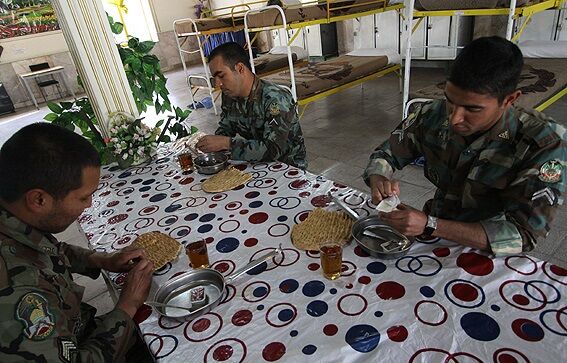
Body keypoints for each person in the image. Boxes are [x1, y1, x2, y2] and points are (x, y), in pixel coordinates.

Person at [364, 36, 566, 256]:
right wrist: (379, 177)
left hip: (488, 250)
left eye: (472, 109)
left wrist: (431, 225)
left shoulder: (543, 143)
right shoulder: (432, 114)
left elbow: (523, 235)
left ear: (509, 100)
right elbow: (387, 153)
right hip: (432, 233)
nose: (454, 118)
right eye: (450, 100)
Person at [0, 123, 155, 362]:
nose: (89, 205)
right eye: (83, 197)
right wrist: (128, 305)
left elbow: (44, 252)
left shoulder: (13, 216)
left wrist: (101, 259)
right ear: (39, 199)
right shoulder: (19, 289)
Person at [195, 42, 307, 169]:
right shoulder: (230, 95)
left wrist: (227, 144)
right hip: (257, 163)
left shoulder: (276, 99)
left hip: (288, 168)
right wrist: (213, 144)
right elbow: (226, 128)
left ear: (240, 68)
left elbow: (273, 149)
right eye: (214, 78)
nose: (217, 84)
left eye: (221, 76)